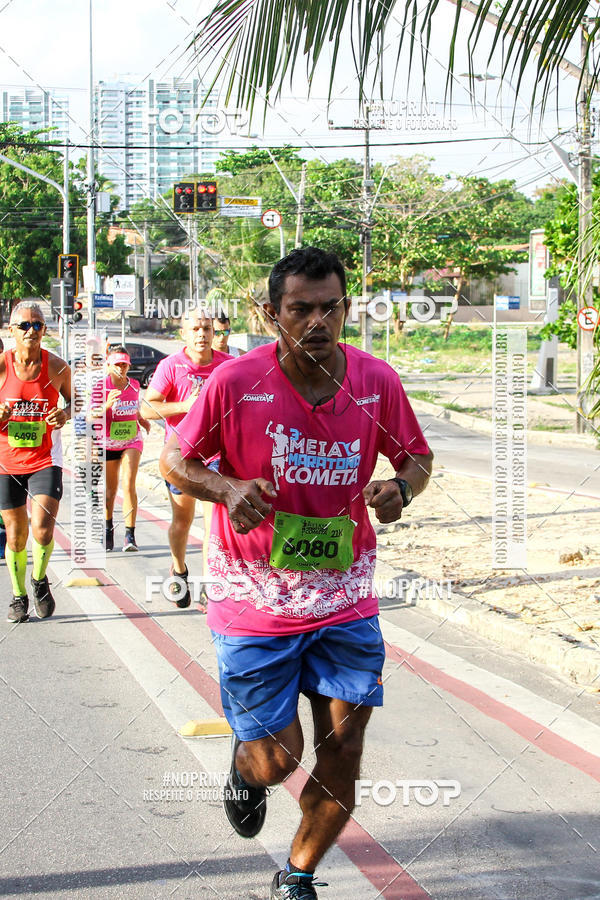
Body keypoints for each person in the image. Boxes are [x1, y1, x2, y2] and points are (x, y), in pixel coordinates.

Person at [160, 247, 433, 899]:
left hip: (344, 603)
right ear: (269, 313)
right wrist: (224, 489)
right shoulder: (235, 384)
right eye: (299, 309)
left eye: (329, 308)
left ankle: (298, 875)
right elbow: (174, 461)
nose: (317, 321)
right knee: (275, 757)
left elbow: (417, 457)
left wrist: (402, 487)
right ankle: (246, 767)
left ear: (346, 308)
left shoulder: (376, 382)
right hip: (253, 604)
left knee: (343, 751)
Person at [142, 310, 231, 608]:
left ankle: (208, 586)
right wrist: (185, 405)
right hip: (181, 457)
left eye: (207, 328)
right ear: (184, 334)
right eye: (195, 328)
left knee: (213, 526)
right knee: (182, 521)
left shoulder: (228, 366)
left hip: (215, 456)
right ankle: (179, 569)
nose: (202, 334)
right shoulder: (171, 366)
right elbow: (147, 409)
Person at [0, 301, 71, 623]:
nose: (32, 331)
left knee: (42, 530)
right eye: (25, 325)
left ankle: (40, 580)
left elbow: (76, 399)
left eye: (38, 325)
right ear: (11, 331)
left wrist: (65, 413)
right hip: (6, 461)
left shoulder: (56, 366)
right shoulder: (1, 366)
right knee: (15, 534)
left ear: (45, 330)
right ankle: (18, 596)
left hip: (45, 458)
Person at [89, 346, 150, 552]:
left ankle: (130, 535)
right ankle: (107, 529)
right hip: (107, 443)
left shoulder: (133, 385)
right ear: (108, 365)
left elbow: (135, 408)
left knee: (129, 483)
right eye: (117, 364)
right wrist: (106, 405)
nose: (121, 368)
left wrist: (142, 420)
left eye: (124, 364)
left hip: (132, 439)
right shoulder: (100, 386)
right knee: (110, 491)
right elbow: (90, 416)